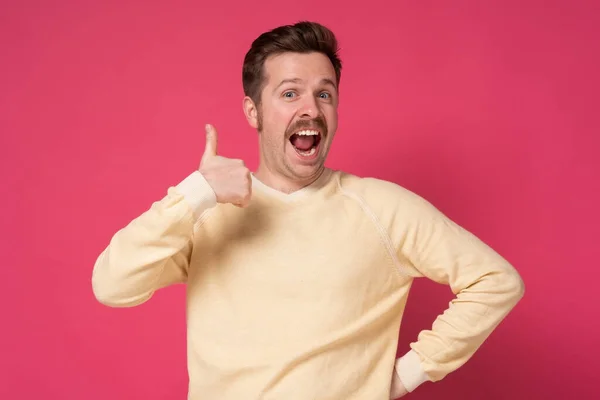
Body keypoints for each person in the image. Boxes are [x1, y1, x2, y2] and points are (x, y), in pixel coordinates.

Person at [91, 21, 525, 399]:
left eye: (324, 94)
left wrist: (407, 374)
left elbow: (496, 281)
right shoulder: (206, 211)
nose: (311, 109)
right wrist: (195, 194)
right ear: (253, 111)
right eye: (290, 93)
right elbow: (112, 285)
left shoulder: (380, 208)